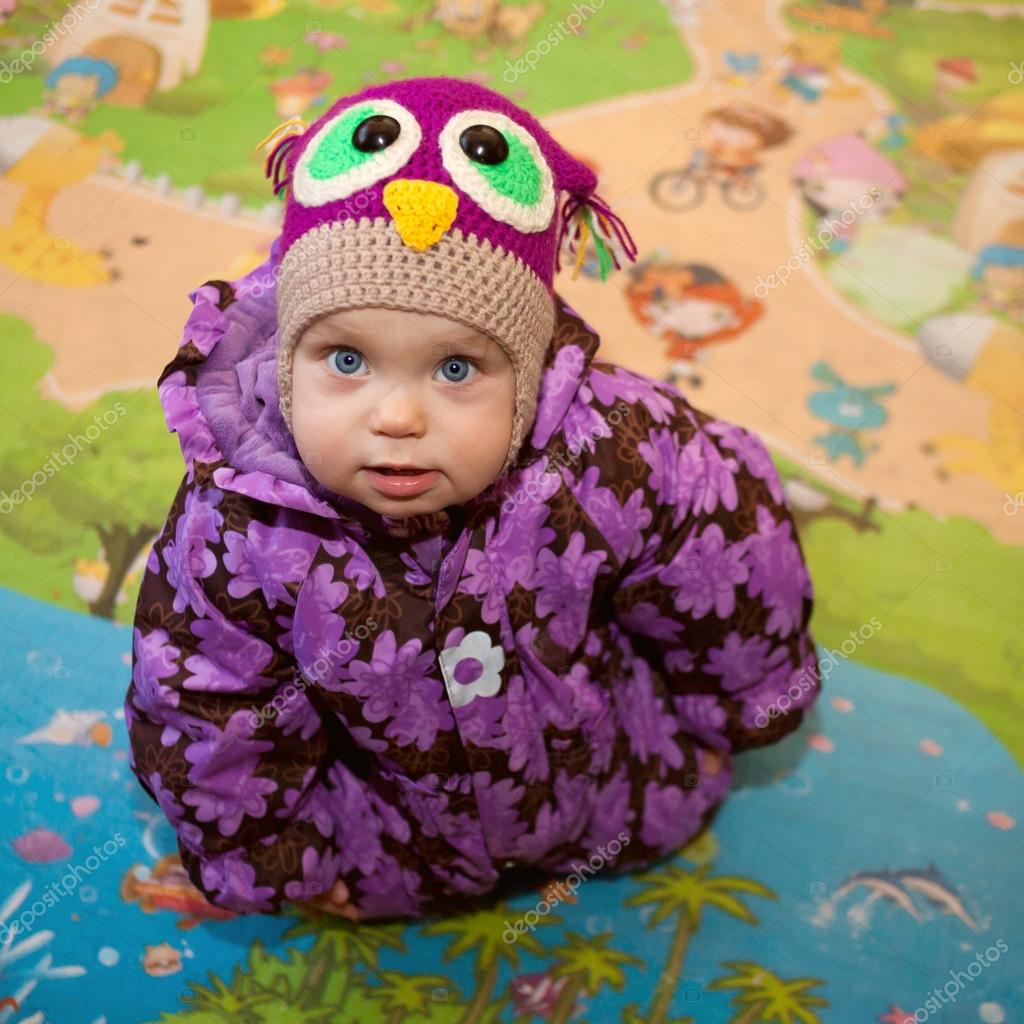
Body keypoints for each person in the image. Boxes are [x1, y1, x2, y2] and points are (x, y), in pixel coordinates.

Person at [124, 76, 822, 923]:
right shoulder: (240, 524)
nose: (396, 417)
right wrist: (280, 861)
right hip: (392, 838)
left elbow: (729, 537)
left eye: (457, 369)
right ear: (283, 363)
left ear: (526, 383)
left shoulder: (615, 454)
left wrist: (748, 701)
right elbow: (203, 708)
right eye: (345, 360)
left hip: (614, 788)